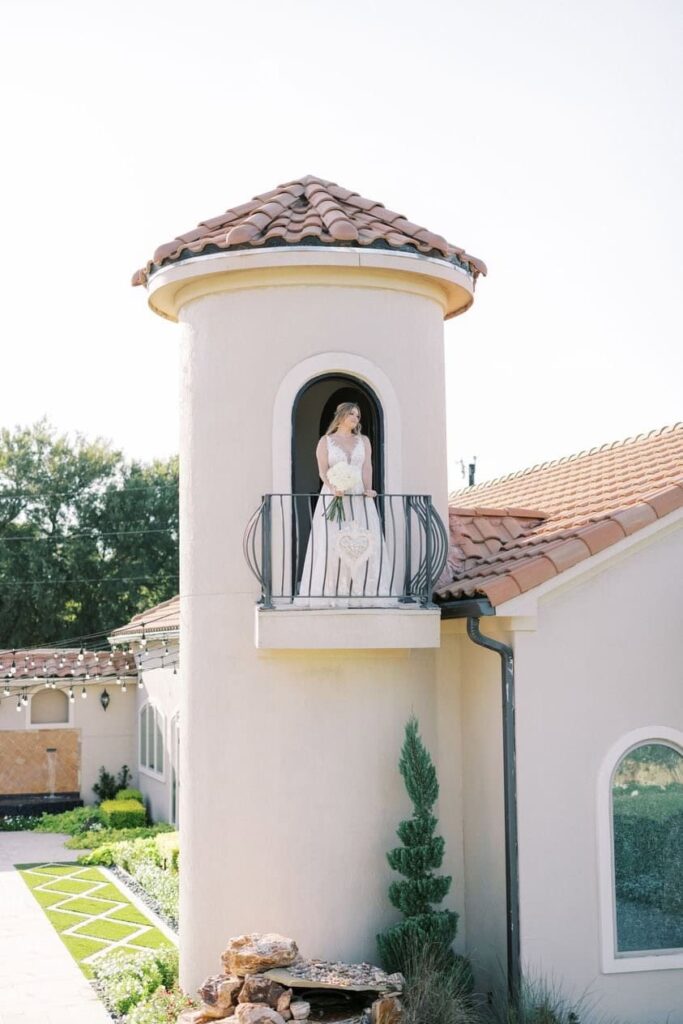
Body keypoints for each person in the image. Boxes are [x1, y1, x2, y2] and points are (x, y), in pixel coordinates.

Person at [296, 402, 398, 607]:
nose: (355, 418)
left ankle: (364, 592)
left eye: (358, 416)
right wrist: (334, 488)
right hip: (335, 495)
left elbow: (367, 467)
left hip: (360, 497)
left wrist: (369, 489)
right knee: (333, 542)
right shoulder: (325, 441)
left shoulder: (364, 441)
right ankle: (332, 593)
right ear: (341, 415)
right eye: (352, 414)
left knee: (363, 541)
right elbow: (322, 471)